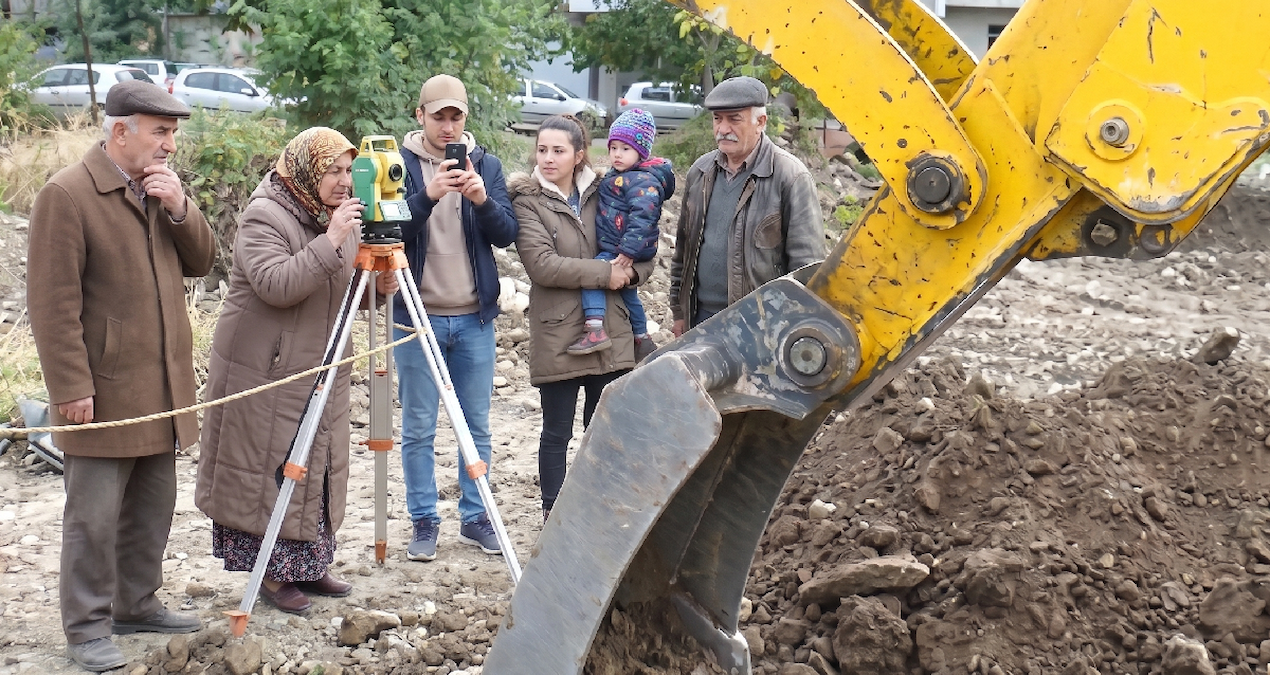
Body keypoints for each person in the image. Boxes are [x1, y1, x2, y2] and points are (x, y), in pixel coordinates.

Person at [26, 80, 214, 673]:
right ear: (120, 131)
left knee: (152, 508)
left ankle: (136, 603)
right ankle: (85, 628)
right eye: (160, 132)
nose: (170, 145)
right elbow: (52, 306)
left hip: (161, 388)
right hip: (101, 392)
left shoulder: (160, 191)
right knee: (93, 518)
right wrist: (70, 389)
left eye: (173, 134)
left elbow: (204, 262)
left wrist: (182, 207)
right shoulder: (68, 194)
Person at [195, 127, 387, 615]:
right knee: (270, 468)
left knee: (317, 463)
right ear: (305, 170)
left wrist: (380, 285)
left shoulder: (334, 217)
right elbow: (277, 284)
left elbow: (344, 290)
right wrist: (335, 237)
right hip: (267, 371)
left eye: (349, 171)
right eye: (333, 172)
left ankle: (310, 564)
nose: (345, 182)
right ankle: (273, 575)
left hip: (321, 365)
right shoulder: (265, 215)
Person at [394, 74, 518, 562]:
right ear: (419, 115)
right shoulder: (397, 164)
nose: (448, 126)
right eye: (438, 116)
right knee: (419, 427)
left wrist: (481, 198)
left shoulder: (486, 164)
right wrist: (427, 194)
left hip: (475, 319)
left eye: (456, 116)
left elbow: (508, 233)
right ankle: (424, 519)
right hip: (415, 318)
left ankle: (475, 517)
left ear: (465, 118)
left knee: (477, 424)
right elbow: (386, 227)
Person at [508, 114, 656, 521]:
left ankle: (599, 509)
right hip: (559, 332)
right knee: (557, 431)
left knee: (604, 429)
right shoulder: (527, 200)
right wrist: (606, 273)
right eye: (542, 150)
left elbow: (641, 245)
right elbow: (543, 266)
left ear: (578, 155)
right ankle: (553, 513)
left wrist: (633, 271)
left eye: (558, 151)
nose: (549, 159)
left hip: (612, 327)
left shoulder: (609, 190)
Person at [669, 76, 825, 336]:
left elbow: (807, 268)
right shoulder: (701, 172)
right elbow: (683, 252)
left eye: (734, 119)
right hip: (701, 319)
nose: (723, 128)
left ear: (760, 122)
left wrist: (793, 329)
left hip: (761, 327)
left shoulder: (790, 176)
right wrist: (679, 311)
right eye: (718, 119)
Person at [567, 108, 675, 361]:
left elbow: (644, 217)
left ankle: (594, 327)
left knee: (594, 274)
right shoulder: (622, 176)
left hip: (622, 248)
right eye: (613, 147)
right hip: (622, 245)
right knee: (629, 294)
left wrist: (628, 250)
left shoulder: (642, 181)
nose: (616, 154)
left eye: (624, 149)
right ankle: (642, 337)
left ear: (641, 152)